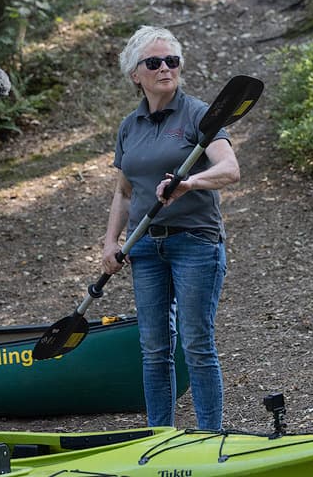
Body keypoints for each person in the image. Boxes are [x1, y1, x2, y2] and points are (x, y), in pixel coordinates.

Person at [101, 25, 240, 430]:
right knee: (154, 350)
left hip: (195, 243)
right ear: (135, 74)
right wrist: (111, 242)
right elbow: (124, 192)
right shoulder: (129, 126)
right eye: (154, 62)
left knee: (196, 345)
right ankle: (159, 434)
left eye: (172, 60)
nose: (165, 68)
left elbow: (230, 169)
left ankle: (210, 436)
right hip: (145, 248)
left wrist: (190, 183)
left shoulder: (199, 114)